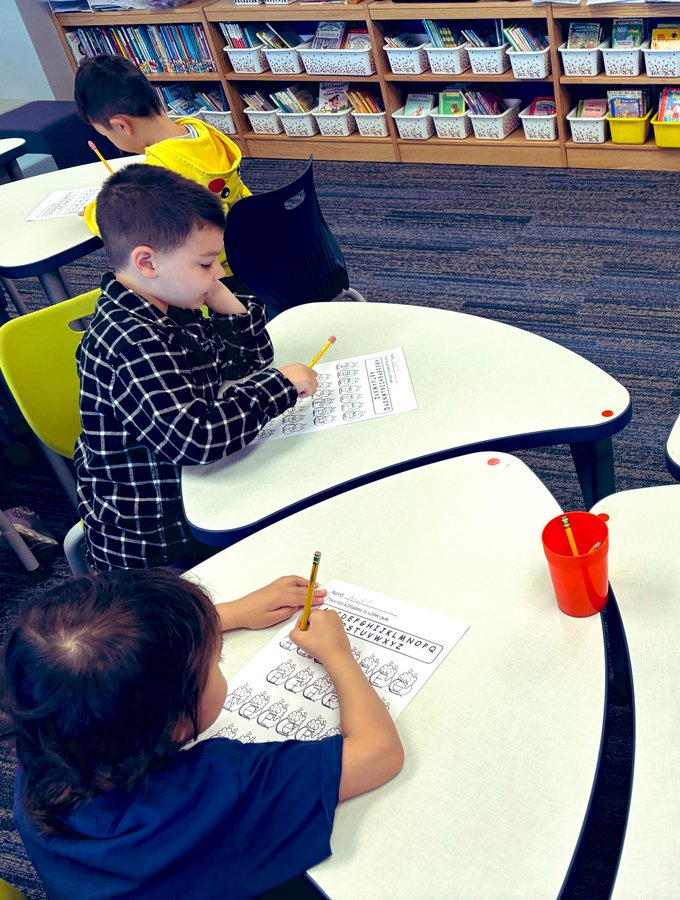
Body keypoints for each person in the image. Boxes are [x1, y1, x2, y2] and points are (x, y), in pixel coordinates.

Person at [2, 569, 403, 897]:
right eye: (214, 660)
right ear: (178, 722)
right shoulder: (221, 788)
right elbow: (379, 752)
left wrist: (228, 613)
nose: (217, 662)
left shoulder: (46, 747)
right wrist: (337, 653)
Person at [75, 164, 315, 570]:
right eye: (205, 264)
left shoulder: (169, 300)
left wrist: (226, 302)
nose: (218, 273)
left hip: (200, 492)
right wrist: (281, 388)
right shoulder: (133, 340)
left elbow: (249, 361)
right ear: (147, 262)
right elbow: (196, 439)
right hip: (158, 544)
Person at [74, 53, 251, 258]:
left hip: (212, 267)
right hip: (250, 243)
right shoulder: (201, 132)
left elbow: (124, 226)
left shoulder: (158, 171)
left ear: (121, 125)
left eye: (106, 135)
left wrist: (95, 209)